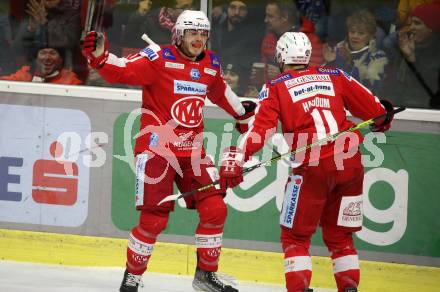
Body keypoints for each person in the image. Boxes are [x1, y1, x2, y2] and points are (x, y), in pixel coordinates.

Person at [80, 9, 256, 292]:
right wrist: (99, 57)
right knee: (154, 219)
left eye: (203, 33)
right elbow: (121, 70)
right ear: (179, 34)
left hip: (193, 152)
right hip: (156, 151)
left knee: (215, 208)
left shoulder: (210, 64)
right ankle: (131, 280)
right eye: (192, 33)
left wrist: (242, 114)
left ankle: (205, 276)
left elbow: (221, 92)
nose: (198, 39)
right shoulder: (157, 58)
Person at [219, 32, 394, 292]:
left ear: (280, 57)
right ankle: (348, 287)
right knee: (341, 236)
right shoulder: (335, 75)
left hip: (312, 167)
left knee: (295, 237)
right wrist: (384, 116)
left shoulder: (276, 86)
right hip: (351, 165)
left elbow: (260, 130)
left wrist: (237, 156)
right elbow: (377, 113)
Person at [323, 10, 389, 95]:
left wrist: (347, 63)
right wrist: (330, 63)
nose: (355, 36)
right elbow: (324, 83)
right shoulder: (338, 50)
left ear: (371, 36)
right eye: (352, 32)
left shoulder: (379, 57)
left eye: (361, 33)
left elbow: (364, 90)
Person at [0, 46, 82, 84]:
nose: (47, 58)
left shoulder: (69, 78)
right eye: (43, 53)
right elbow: (5, 82)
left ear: (60, 60)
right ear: (36, 60)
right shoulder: (26, 73)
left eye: (52, 53)